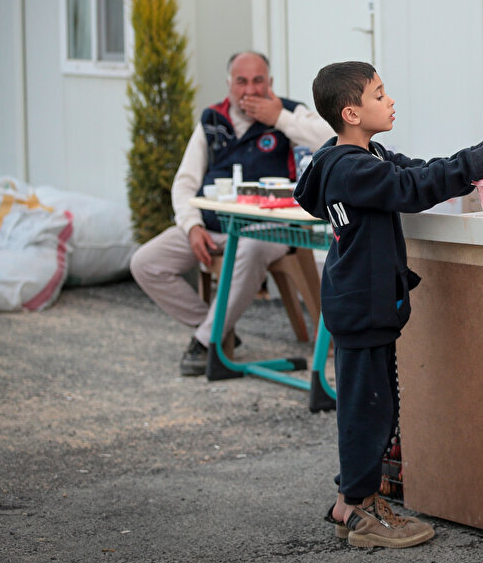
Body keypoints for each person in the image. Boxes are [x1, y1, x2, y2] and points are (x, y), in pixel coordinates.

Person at [293, 61, 483, 549]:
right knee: (368, 412)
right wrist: (481, 160)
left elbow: (419, 170)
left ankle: (352, 501)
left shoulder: (368, 156)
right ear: (352, 113)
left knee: (376, 406)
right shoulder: (351, 168)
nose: (391, 100)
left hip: (368, 304)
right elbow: (411, 189)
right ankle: (358, 509)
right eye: (379, 95)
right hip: (362, 307)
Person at [130, 51, 334, 376]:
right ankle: (217, 329)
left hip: (269, 228)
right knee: (146, 262)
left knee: (249, 248)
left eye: (258, 81)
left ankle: (204, 343)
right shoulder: (213, 119)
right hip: (213, 225)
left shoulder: (288, 112)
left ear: (270, 83)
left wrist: (279, 118)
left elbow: (332, 138)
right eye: (242, 82)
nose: (250, 90)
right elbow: (184, 183)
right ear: (229, 84)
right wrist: (192, 226)